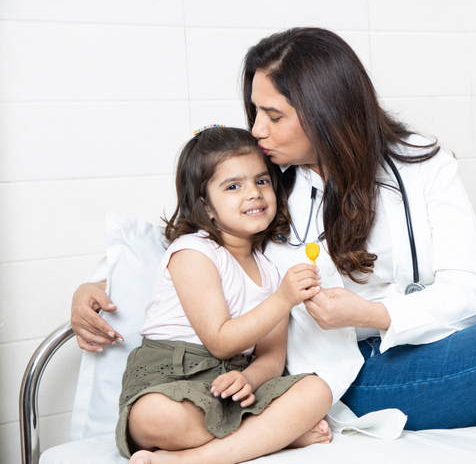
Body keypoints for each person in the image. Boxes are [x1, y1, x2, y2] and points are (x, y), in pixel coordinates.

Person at [71, 28, 476, 464]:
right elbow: (188, 235)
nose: (256, 129)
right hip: (341, 377)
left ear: (323, 109)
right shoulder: (266, 185)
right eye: (254, 112)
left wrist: (371, 313)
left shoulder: (422, 166)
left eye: (273, 114)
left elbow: (473, 289)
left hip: (415, 349)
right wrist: (93, 289)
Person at [114, 126, 332, 464]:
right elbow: (219, 341)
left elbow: (272, 358)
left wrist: (247, 379)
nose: (254, 194)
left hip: (232, 387)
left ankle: (197, 457)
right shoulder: (193, 252)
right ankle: (273, 435)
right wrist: (284, 299)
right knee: (152, 417)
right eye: (233, 186)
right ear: (206, 206)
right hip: (173, 377)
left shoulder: (272, 269)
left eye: (262, 181)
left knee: (317, 391)